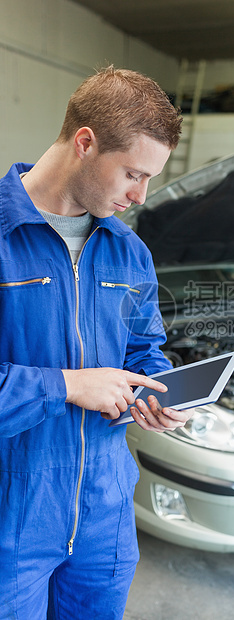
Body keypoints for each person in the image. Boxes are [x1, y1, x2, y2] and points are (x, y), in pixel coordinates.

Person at [0, 66, 191, 619]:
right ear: (85, 143)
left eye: (151, 178)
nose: (140, 194)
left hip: (104, 514)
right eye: (133, 173)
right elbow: (72, 386)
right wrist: (64, 386)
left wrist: (156, 392)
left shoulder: (130, 253)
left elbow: (142, 350)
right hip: (13, 516)